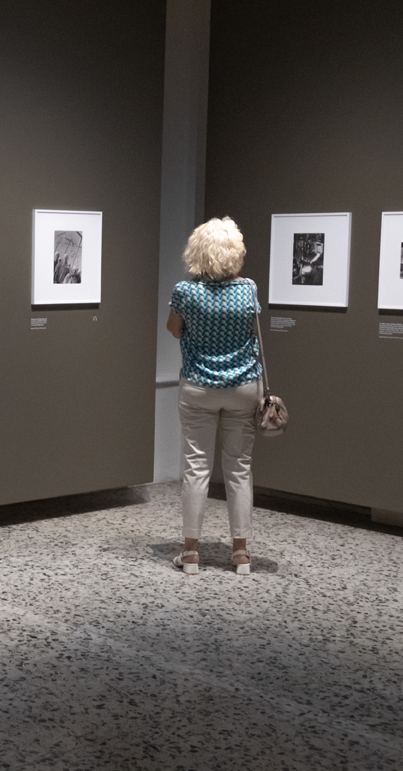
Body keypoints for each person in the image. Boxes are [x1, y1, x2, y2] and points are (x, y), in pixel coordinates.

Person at [166, 217, 262, 575]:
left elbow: (174, 330)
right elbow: (253, 332)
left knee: (196, 468)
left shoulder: (185, 291)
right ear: (234, 253)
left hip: (198, 386)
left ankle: (190, 552)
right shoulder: (248, 289)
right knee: (239, 469)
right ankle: (241, 553)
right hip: (243, 387)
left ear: (198, 252)